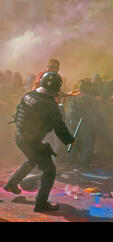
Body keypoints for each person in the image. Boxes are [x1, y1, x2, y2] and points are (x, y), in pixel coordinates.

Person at [3, 72, 75, 212]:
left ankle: (12, 183)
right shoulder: (49, 105)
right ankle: (41, 204)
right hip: (32, 141)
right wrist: (70, 140)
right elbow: (59, 127)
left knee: (33, 159)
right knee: (49, 171)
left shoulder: (29, 95)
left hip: (19, 137)